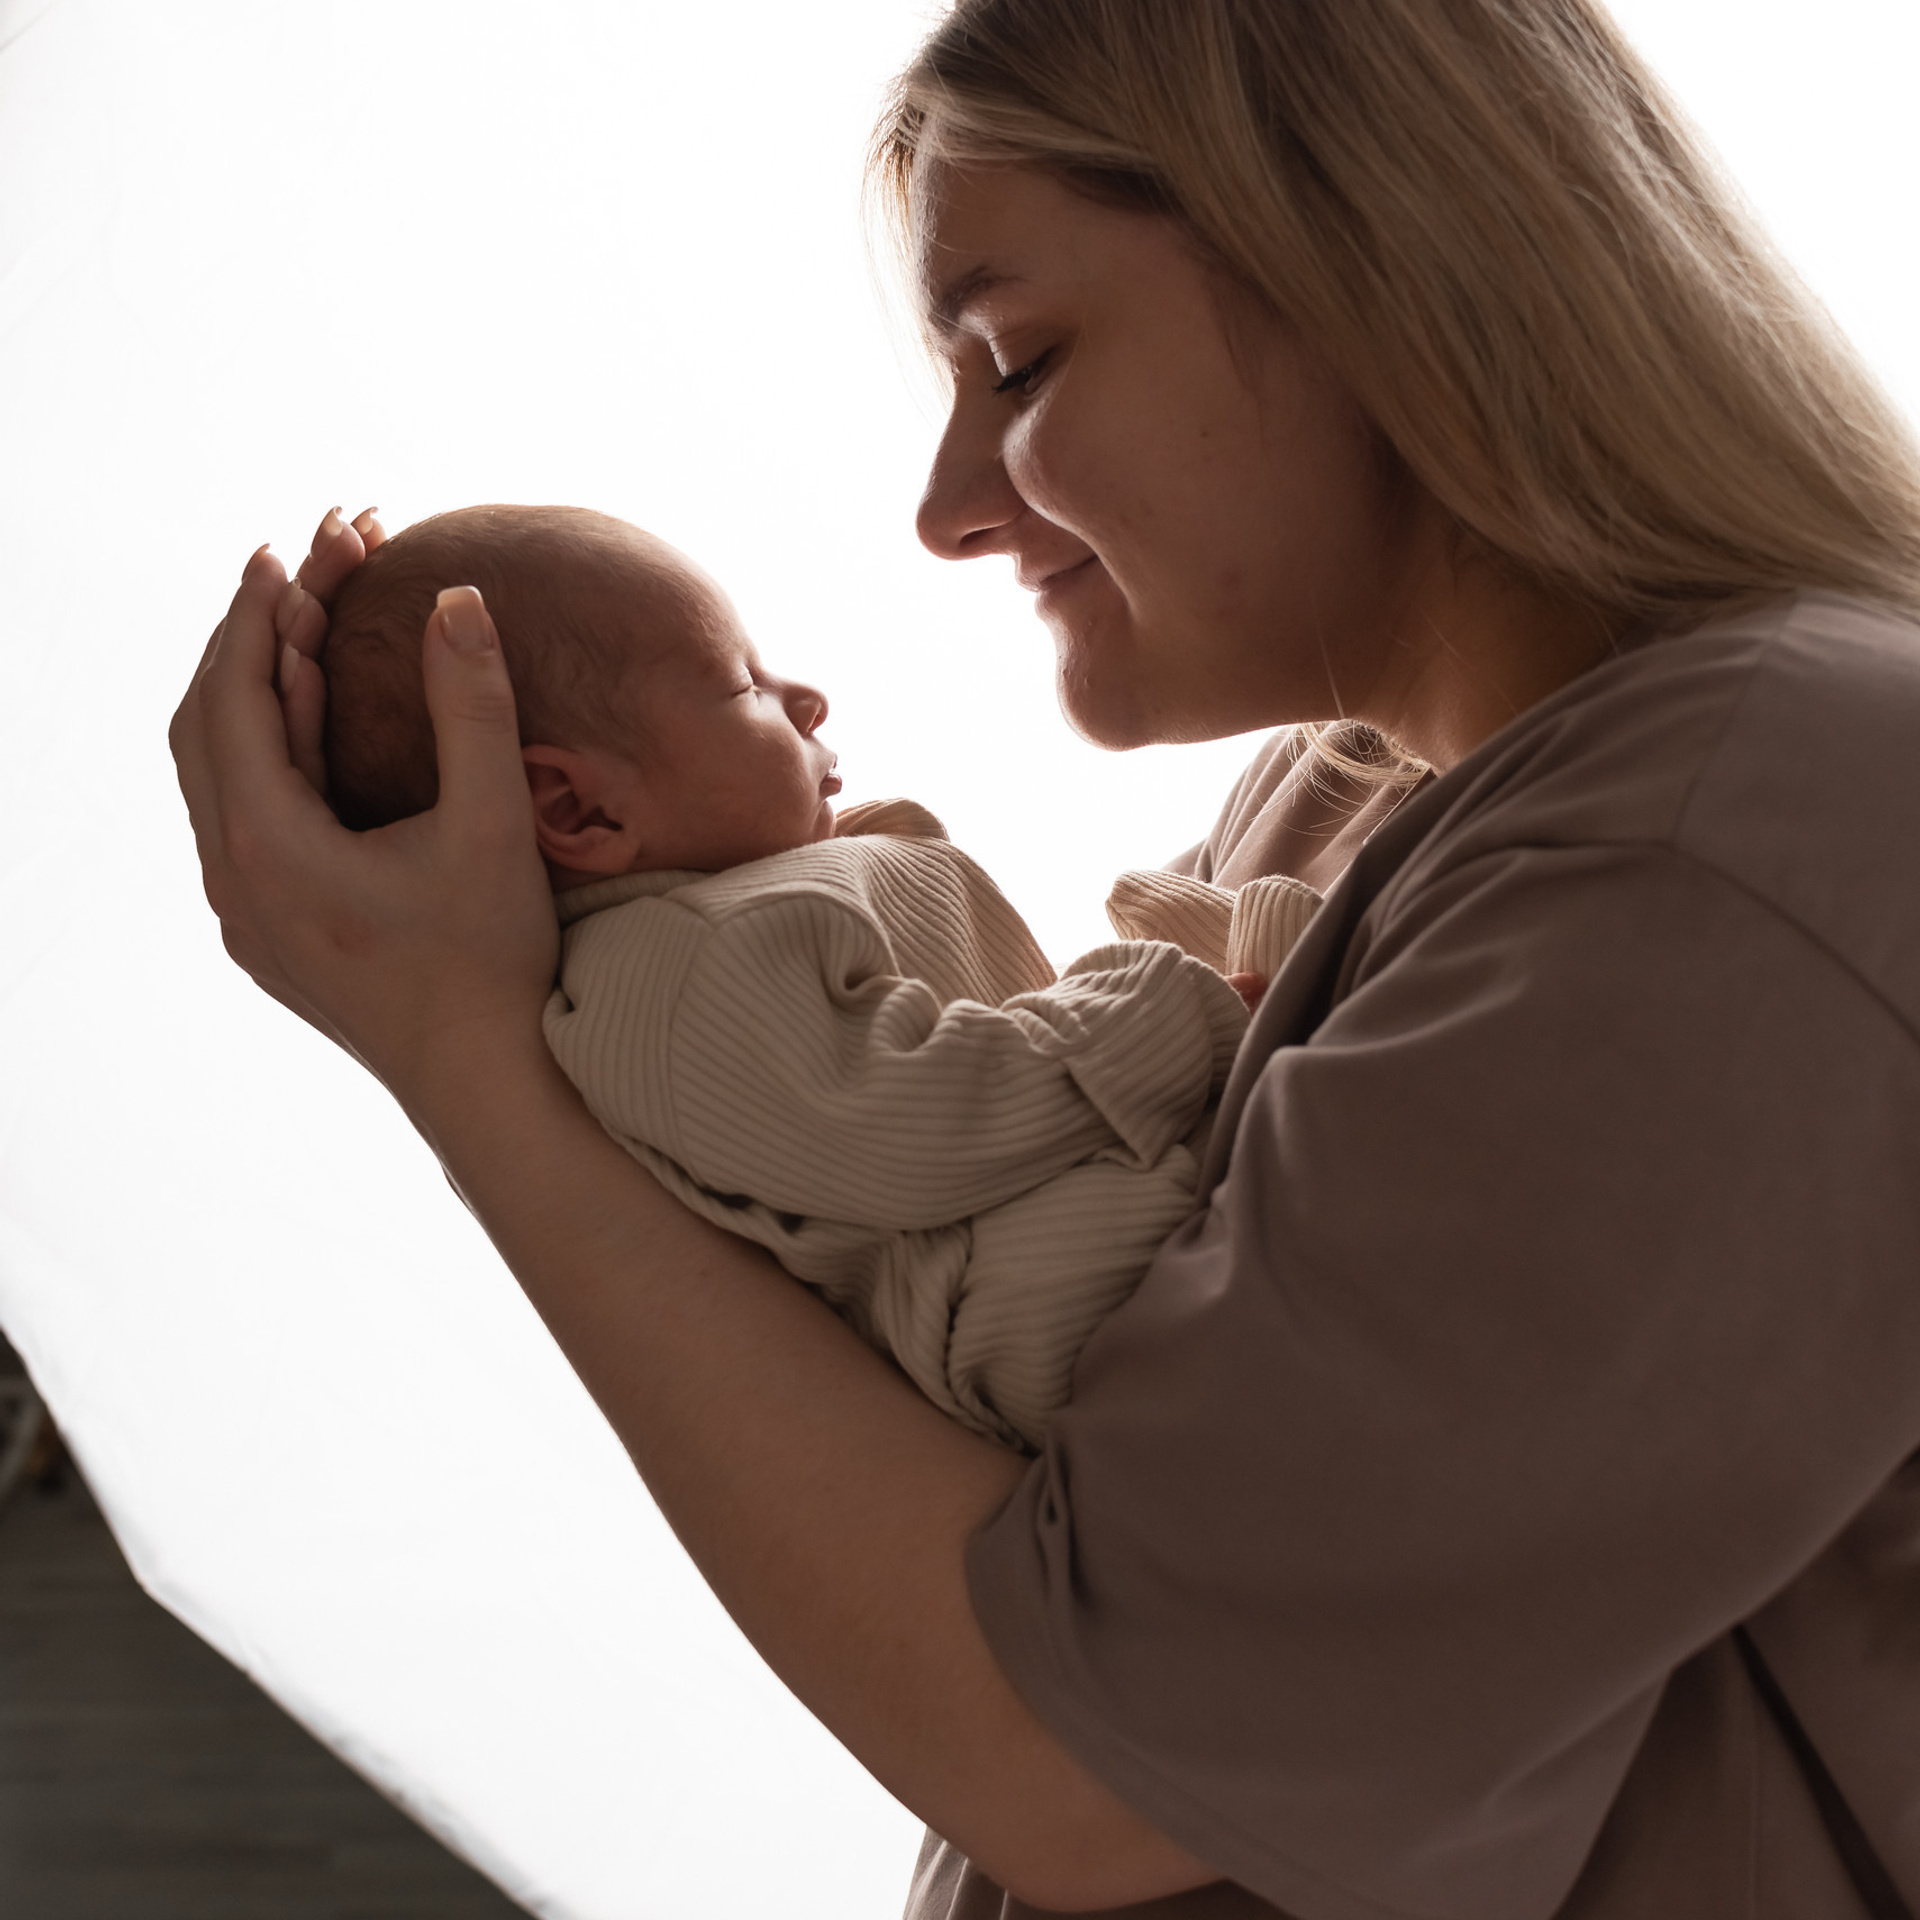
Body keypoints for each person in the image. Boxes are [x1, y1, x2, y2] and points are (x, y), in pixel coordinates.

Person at [172, 0, 1920, 1914]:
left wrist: (471, 1070)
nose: (945, 508)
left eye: (1017, 359)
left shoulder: (1730, 834)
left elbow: (1100, 1761)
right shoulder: (1336, 822)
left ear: (1376, 272)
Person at [320, 502, 1311, 1452]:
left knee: (1240, 942)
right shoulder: (670, 973)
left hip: (1053, 1193)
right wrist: (1171, 1016)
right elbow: (911, 1125)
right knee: (1266, 1031)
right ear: (579, 811)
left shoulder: (736, 913)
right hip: (1032, 1300)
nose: (804, 698)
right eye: (743, 682)